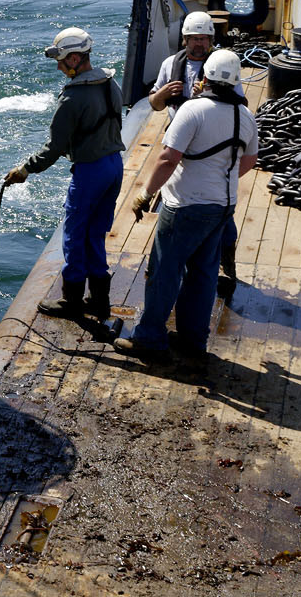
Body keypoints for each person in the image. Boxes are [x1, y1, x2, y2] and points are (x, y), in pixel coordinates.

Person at [114, 49, 258, 365]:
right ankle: (194, 340)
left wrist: (145, 193)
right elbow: (248, 161)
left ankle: (150, 339)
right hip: (222, 207)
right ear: (235, 83)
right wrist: (219, 177)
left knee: (165, 272)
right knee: (204, 275)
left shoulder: (192, 111)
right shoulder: (245, 116)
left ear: (205, 77)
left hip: (184, 206)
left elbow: (168, 158)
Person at [4, 27, 125, 322]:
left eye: (60, 60)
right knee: (95, 233)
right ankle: (99, 302)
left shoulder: (72, 98)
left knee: (73, 235)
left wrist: (25, 169)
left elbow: (55, 147)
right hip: (114, 165)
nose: (58, 66)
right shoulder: (110, 84)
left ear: (73, 58)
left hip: (91, 172)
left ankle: (71, 301)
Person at [150, 10, 240, 298]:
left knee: (220, 207)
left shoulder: (222, 65)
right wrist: (162, 94)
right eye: (194, 39)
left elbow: (240, 103)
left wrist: (209, 95)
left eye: (204, 39)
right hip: (180, 144)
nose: (199, 44)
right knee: (174, 201)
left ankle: (225, 264)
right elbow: (154, 104)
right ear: (185, 39)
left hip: (212, 145)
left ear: (211, 39)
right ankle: (166, 261)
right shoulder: (169, 65)